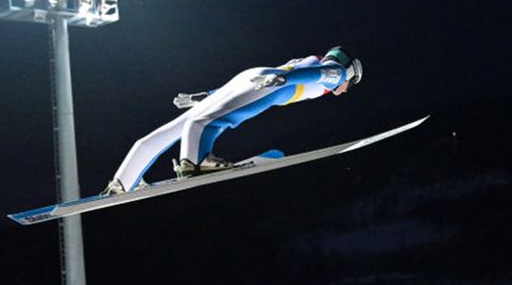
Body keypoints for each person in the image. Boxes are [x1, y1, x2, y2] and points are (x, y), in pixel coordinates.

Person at [102, 46, 363, 195]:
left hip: (253, 76)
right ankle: (194, 163)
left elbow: (295, 71)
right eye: (350, 85)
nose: (344, 90)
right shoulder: (337, 73)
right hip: (272, 84)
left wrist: (205, 96)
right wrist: (285, 81)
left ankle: (122, 181)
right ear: (350, 72)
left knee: (177, 127)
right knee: (212, 122)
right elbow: (314, 74)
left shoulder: (309, 59)